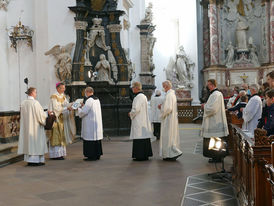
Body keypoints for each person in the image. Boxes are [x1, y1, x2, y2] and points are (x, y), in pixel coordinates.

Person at [17, 87, 48, 166]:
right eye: (36, 92)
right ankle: (35, 161)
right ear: (32, 93)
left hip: (27, 128)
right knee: (35, 144)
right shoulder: (35, 103)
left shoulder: (23, 103)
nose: (36, 94)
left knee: (29, 143)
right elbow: (41, 116)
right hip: (35, 128)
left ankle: (30, 161)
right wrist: (47, 114)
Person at [201, 79, 229, 163]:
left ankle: (217, 157)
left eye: (208, 84)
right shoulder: (214, 94)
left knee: (216, 140)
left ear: (212, 85)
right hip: (214, 121)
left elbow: (213, 109)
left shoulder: (216, 94)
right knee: (214, 140)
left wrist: (204, 107)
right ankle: (215, 157)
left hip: (215, 121)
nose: (207, 86)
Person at [48, 83, 75, 160]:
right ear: (58, 88)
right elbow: (56, 109)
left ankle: (61, 154)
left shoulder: (63, 96)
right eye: (62, 88)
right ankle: (55, 155)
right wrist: (67, 108)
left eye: (64, 88)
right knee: (56, 135)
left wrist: (72, 104)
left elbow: (66, 104)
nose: (64, 89)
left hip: (61, 118)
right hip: (56, 119)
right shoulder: (54, 96)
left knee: (61, 136)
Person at [129, 82, 153, 161]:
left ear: (136, 88)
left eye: (133, 87)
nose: (132, 89)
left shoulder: (138, 97)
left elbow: (136, 109)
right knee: (143, 137)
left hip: (139, 120)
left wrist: (131, 113)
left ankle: (140, 156)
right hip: (143, 120)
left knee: (139, 137)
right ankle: (145, 154)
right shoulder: (143, 96)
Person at [159, 80, 182, 161]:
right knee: (170, 136)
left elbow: (168, 108)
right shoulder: (172, 94)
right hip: (171, 118)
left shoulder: (169, 95)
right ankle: (171, 153)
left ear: (166, 86)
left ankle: (172, 153)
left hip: (168, 119)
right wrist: (162, 106)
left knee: (167, 136)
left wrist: (162, 111)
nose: (163, 88)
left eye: (163, 86)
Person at [78, 87, 103, 161]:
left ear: (87, 92)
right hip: (95, 123)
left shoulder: (89, 100)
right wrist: (83, 106)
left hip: (90, 123)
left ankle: (91, 156)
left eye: (85, 93)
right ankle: (97, 155)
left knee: (90, 139)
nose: (85, 94)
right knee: (96, 139)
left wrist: (79, 108)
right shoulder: (97, 99)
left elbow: (84, 112)